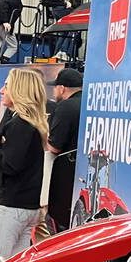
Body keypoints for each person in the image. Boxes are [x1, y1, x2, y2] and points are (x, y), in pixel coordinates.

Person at [0, 67, 48, 262]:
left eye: (6, 85)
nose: (1, 90)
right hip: (25, 205)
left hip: (12, 206)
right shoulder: (28, 123)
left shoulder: (20, 124)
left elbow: (10, 164)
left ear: (19, 89)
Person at [46, 67, 83, 232]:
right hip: (85, 172)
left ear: (62, 88)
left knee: (60, 225)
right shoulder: (93, 103)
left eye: (55, 87)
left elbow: (55, 146)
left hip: (65, 176)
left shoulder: (65, 107)